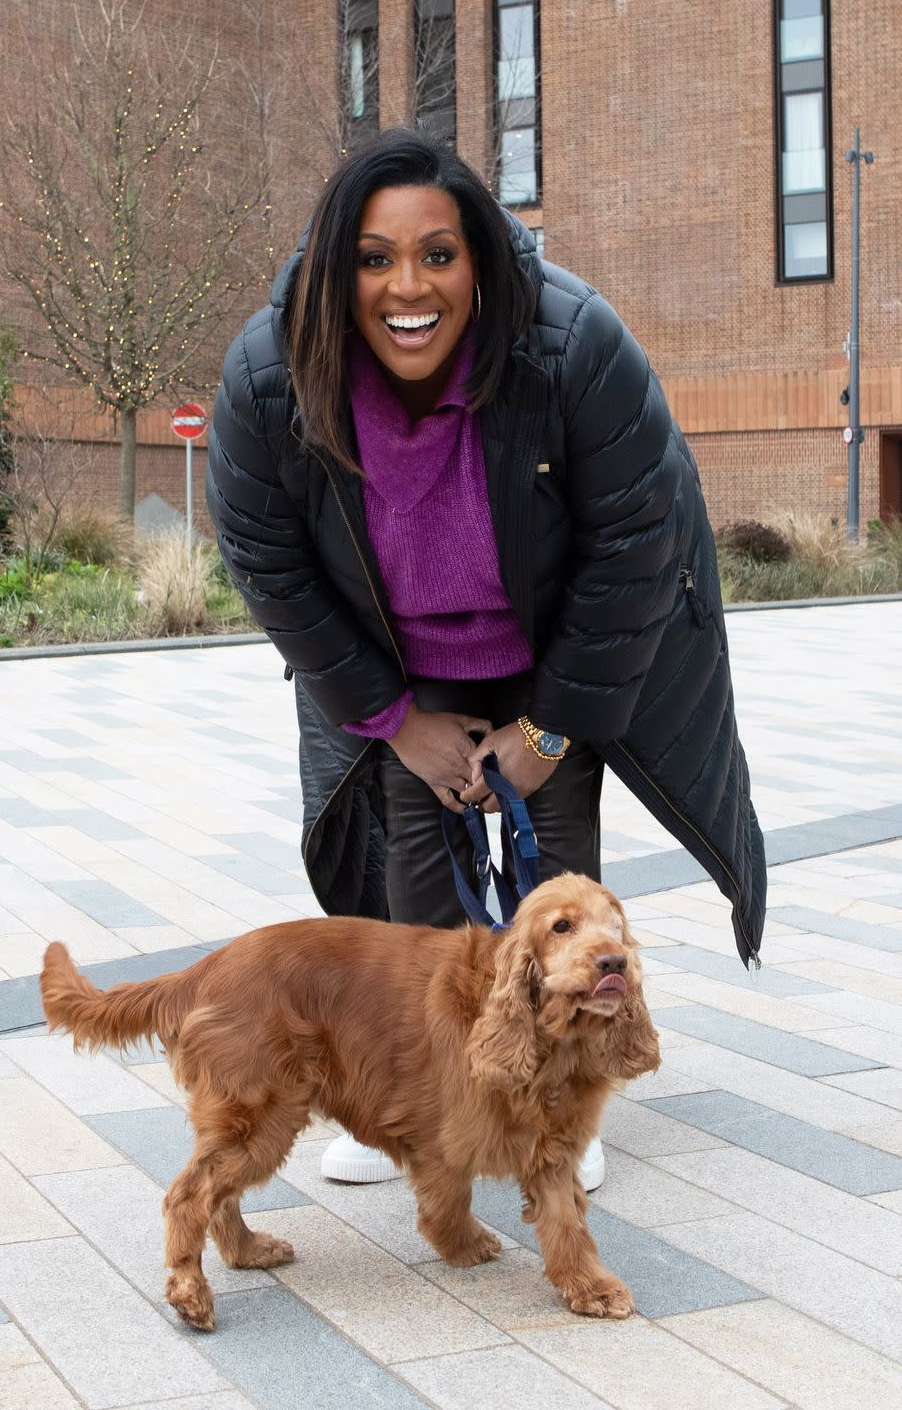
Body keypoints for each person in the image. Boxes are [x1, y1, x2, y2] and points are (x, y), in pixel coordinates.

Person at [207, 128, 766, 1188]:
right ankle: (422, 1103)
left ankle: (562, 1102)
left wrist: (551, 727)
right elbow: (269, 563)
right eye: (373, 259)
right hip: (400, 666)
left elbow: (637, 545)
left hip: (551, 647)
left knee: (553, 867)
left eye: (436, 254)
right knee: (408, 881)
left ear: (480, 261)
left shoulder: (573, 345)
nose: (405, 287)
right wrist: (390, 720)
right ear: (337, 270)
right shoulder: (268, 375)